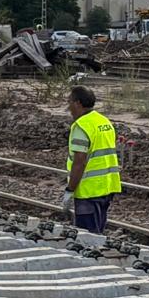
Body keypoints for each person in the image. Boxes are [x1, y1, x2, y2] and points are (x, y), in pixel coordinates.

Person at [62, 85, 121, 233]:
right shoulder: (104, 122)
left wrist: (70, 190)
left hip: (88, 191)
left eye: (69, 102)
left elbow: (79, 162)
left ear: (78, 103)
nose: (68, 107)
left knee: (87, 237)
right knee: (98, 231)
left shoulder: (82, 127)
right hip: (107, 187)